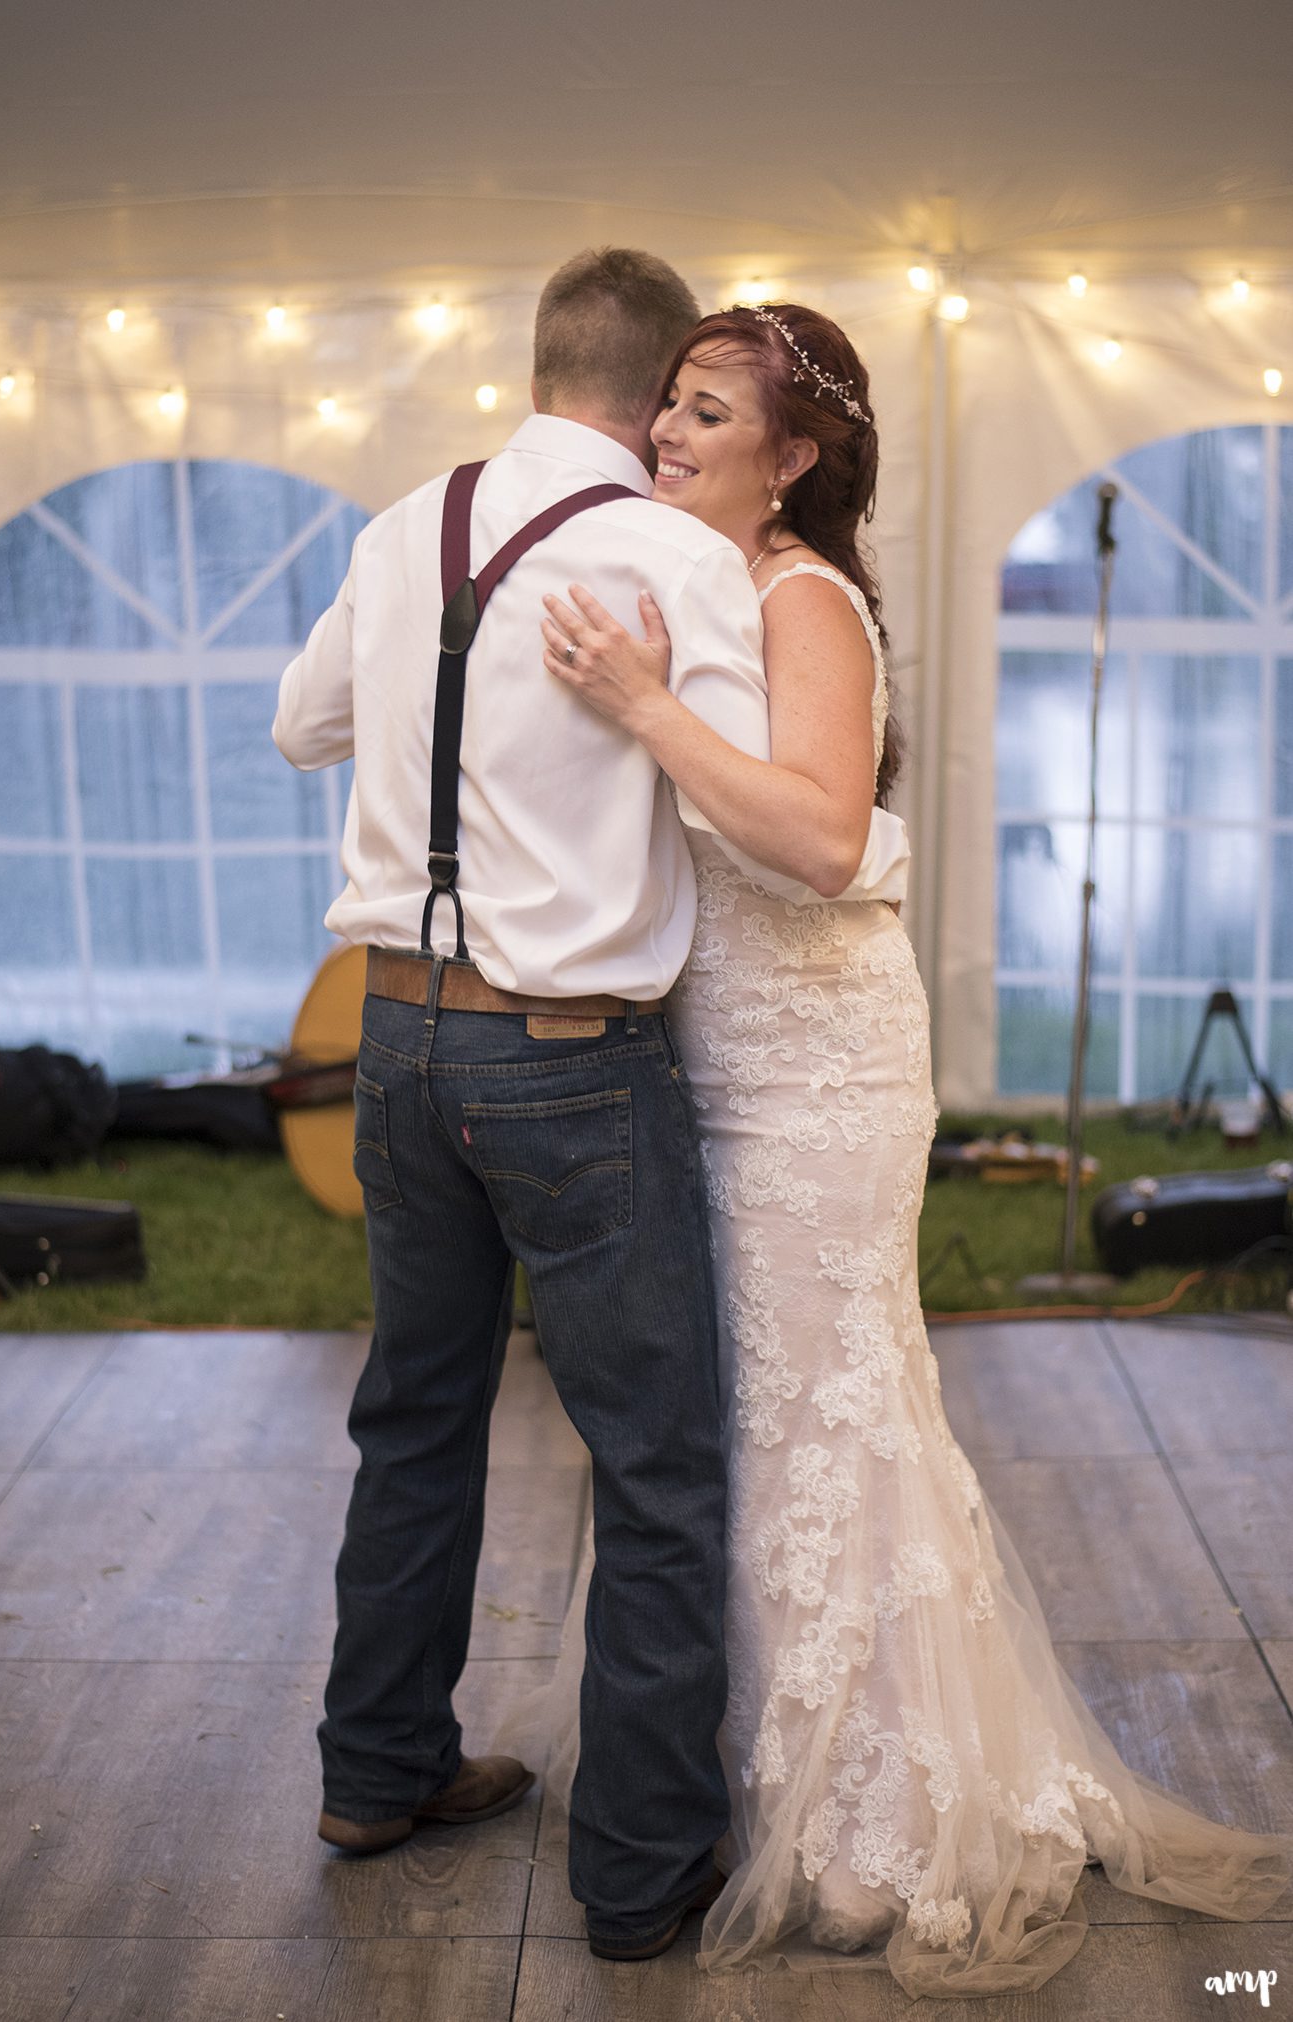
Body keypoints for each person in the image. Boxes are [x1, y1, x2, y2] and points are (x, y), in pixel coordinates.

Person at [514, 301, 1293, 1995]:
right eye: (666, 403)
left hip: (817, 1072)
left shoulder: (805, 598)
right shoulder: (692, 577)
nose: (665, 430)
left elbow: (808, 833)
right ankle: (757, 1761)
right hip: (706, 1058)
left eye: (706, 412)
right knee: (745, 1419)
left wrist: (644, 705)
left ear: (791, 457)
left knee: (827, 1410)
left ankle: (881, 1813)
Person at [271, 252, 910, 1965]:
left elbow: (298, 727)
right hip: (565, 1058)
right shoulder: (667, 553)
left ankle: (374, 1766)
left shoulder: (402, 522)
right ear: (646, 402)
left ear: (539, 355)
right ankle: (636, 1871)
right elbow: (763, 812)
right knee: (654, 1464)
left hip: (391, 1046)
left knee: (413, 1416)